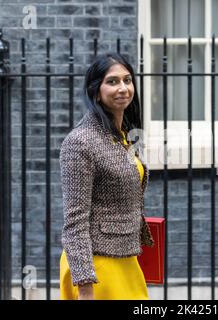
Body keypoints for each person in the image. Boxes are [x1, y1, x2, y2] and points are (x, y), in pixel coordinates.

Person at [59, 53, 154, 300]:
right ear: (95, 91)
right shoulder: (80, 142)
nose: (123, 88)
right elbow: (74, 220)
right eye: (112, 82)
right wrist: (85, 286)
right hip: (97, 266)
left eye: (127, 80)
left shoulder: (123, 136)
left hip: (127, 258)